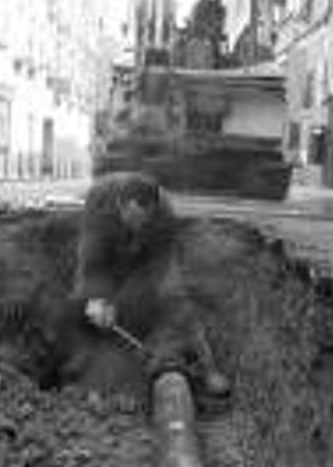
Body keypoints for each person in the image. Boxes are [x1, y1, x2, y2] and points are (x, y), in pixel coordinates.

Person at [55, 171, 230, 398]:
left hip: (148, 258)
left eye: (144, 221)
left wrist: (121, 306)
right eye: (133, 219)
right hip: (107, 248)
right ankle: (77, 365)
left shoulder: (164, 215)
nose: (138, 227)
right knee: (82, 301)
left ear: (153, 210)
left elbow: (154, 272)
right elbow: (91, 260)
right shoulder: (99, 199)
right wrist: (97, 301)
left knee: (172, 297)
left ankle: (207, 368)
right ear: (121, 204)